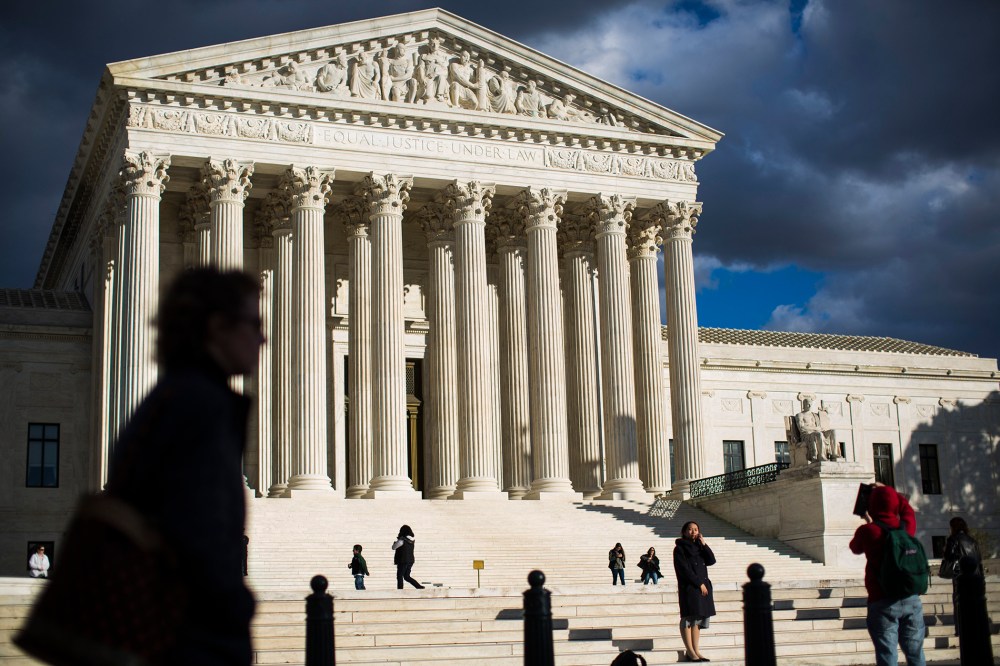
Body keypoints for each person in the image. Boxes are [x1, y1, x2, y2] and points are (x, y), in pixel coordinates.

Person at [105, 268, 264, 664]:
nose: (263, 337)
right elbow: (199, 548)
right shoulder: (198, 409)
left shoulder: (173, 399)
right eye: (254, 323)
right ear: (217, 326)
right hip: (190, 643)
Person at [849, 483, 926, 666]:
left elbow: (855, 548)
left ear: (871, 505)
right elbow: (908, 510)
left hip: (881, 600)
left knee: (887, 654)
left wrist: (868, 520)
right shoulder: (906, 528)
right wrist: (889, 491)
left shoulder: (868, 532)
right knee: (916, 654)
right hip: (911, 598)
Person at [673, 521, 715, 662]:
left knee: (697, 620)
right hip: (689, 587)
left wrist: (704, 544)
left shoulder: (699, 547)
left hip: (703, 587)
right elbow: (684, 570)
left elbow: (711, 560)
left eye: (696, 529)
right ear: (684, 532)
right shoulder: (679, 549)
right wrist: (699, 584)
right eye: (690, 529)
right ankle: (690, 651)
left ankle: (696, 650)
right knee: (687, 618)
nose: (693, 532)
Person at [941, 517, 983, 636]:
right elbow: (979, 561)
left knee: (959, 603)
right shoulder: (973, 541)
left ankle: (960, 630)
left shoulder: (953, 539)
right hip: (975, 577)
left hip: (960, 576)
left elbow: (949, 556)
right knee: (973, 605)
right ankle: (974, 628)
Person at [392, 525, 424, 589]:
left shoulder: (402, 540)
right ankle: (418, 586)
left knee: (400, 576)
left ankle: (400, 590)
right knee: (406, 576)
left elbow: (393, 547)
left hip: (402, 560)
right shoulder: (412, 540)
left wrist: (395, 542)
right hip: (410, 560)